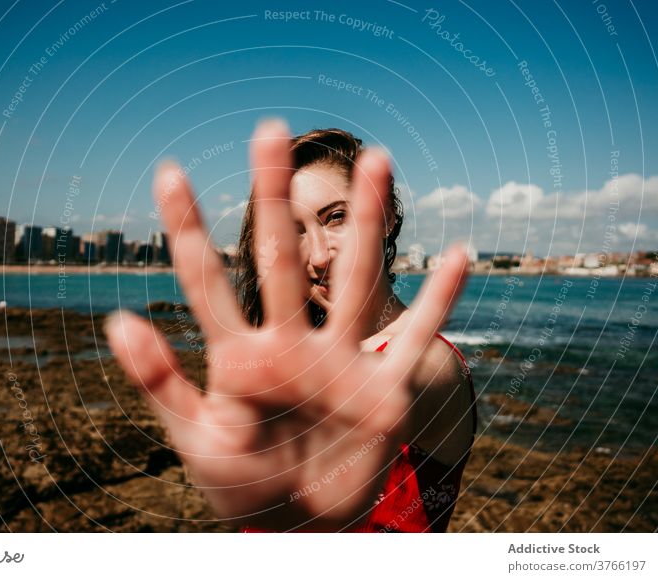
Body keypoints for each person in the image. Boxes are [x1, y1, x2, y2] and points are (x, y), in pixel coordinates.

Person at [105, 120, 475, 532]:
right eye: (293, 231)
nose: (318, 256)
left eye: (336, 217)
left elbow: (407, 381)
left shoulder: (431, 362)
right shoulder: (298, 363)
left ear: (385, 216)